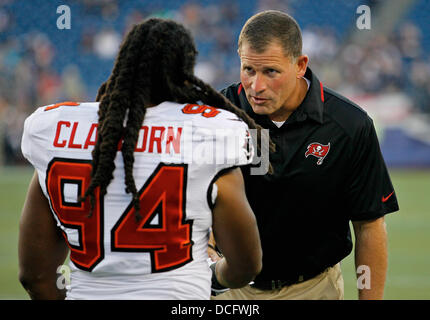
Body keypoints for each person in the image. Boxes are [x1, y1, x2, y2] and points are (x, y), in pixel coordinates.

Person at [18, 18, 264, 300]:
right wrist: (216, 275)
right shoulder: (211, 134)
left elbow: (34, 276)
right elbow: (247, 265)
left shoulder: (54, 132)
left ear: (123, 61)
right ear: (185, 71)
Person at [210, 10, 399, 300]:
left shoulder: (349, 126)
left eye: (270, 72)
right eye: (248, 69)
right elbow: (195, 201)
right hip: (230, 290)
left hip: (314, 289)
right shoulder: (217, 116)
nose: (256, 86)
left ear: (300, 65)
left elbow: (369, 224)